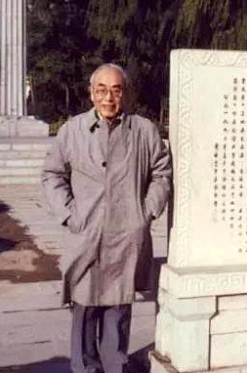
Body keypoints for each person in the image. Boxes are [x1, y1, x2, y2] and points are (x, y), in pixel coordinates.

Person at [41, 63, 171, 373]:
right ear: (91, 93)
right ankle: (86, 367)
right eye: (101, 90)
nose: (108, 98)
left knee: (118, 309)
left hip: (126, 236)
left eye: (116, 90)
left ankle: (115, 366)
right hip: (86, 235)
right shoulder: (72, 131)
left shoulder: (144, 130)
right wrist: (69, 214)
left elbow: (162, 173)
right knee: (84, 307)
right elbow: (52, 175)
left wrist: (146, 212)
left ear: (125, 93)